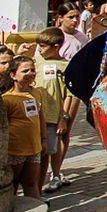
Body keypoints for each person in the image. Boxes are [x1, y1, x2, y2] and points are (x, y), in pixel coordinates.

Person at [32, 27, 74, 191]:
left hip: (52, 115)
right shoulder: (36, 61)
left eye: (43, 47)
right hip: (34, 114)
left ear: (56, 46)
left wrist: (63, 118)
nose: (40, 50)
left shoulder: (65, 66)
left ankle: (55, 175)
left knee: (51, 148)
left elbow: (69, 95)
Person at [3, 56, 44, 198]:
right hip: (15, 150)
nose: (30, 73)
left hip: (34, 148)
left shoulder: (36, 93)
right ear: (13, 75)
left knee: (31, 183)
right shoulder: (7, 99)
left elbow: (40, 117)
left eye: (32, 70)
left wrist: (43, 138)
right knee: (12, 184)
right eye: (25, 71)